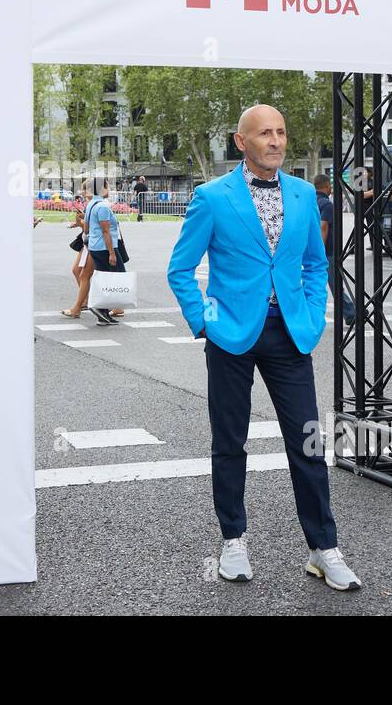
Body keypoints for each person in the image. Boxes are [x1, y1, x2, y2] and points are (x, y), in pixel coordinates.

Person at [167, 104, 361, 591]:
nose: (276, 141)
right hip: (230, 335)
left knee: (308, 443)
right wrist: (206, 323)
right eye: (264, 134)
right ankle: (233, 538)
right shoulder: (211, 198)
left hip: (289, 335)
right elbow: (180, 269)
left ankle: (323, 548)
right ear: (241, 142)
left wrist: (314, 315)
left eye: (280, 132)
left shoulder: (302, 195)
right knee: (230, 442)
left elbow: (316, 265)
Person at [313, 174, 355, 325]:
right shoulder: (326, 204)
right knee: (335, 284)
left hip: (310, 251)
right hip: (327, 251)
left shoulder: (311, 202)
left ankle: (350, 311)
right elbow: (323, 227)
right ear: (326, 186)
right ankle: (351, 312)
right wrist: (320, 251)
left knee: (313, 284)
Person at [86, 176, 125, 326]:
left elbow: (87, 227)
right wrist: (112, 253)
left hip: (95, 246)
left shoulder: (91, 204)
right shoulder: (102, 206)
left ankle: (103, 312)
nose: (109, 189)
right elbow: (106, 231)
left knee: (104, 278)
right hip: (105, 247)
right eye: (107, 186)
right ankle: (100, 307)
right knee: (117, 276)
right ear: (102, 188)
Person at [60, 181, 92, 319]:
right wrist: (80, 221)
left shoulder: (94, 204)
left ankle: (81, 304)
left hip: (93, 242)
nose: (82, 192)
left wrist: (80, 222)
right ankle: (85, 301)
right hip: (88, 241)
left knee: (83, 274)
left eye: (84, 190)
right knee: (78, 271)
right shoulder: (91, 204)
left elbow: (90, 227)